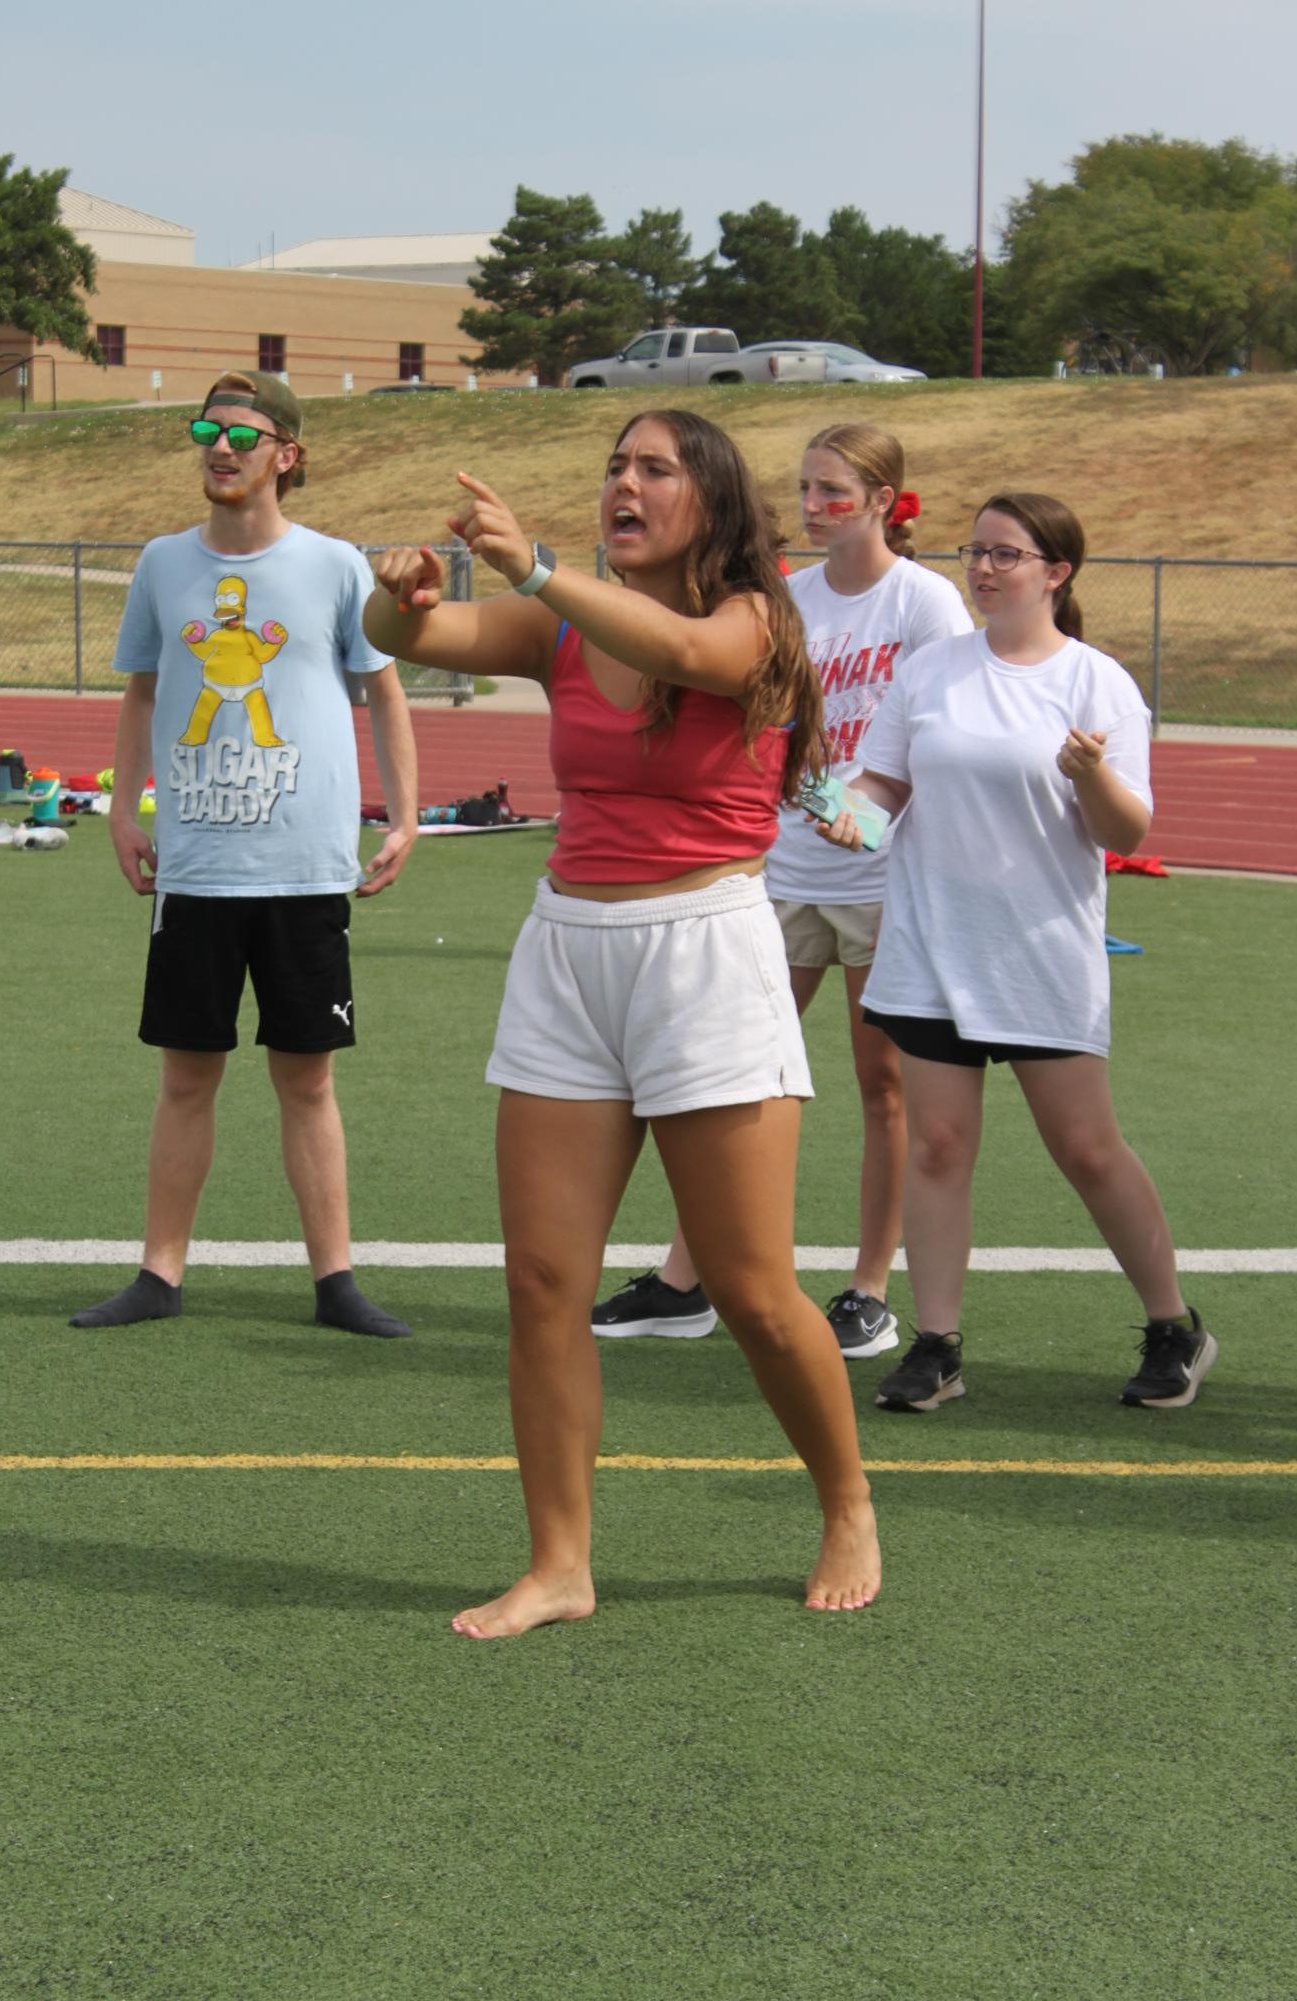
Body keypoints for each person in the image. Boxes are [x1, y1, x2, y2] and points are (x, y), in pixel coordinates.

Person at [365, 410, 881, 1637]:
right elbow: (419, 635)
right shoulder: (560, 624)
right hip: (566, 954)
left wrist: (539, 566)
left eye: (652, 469)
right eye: (613, 468)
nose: (624, 485)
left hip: (706, 951)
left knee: (754, 1291)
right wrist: (399, 600)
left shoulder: (755, 621)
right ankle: (559, 1565)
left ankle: (848, 1499)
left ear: (708, 499)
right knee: (544, 1279)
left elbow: (692, 658)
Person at [819, 491, 1217, 1412]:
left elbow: (1125, 828)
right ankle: (937, 1345)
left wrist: (1093, 775)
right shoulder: (931, 671)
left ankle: (1173, 1326)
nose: (985, 568)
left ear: (1055, 570)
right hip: (928, 948)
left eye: (1006, 553)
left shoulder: (1096, 682)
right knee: (939, 1146)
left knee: (1086, 1147)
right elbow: (881, 787)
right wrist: (842, 816)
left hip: (1038, 953)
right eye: (976, 551)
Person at [591, 423, 971, 1359]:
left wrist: (866, 815)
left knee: (881, 1080)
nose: (814, 506)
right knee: (727, 1070)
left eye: (835, 491)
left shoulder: (924, 602)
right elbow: (775, 726)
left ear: (885, 499)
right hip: (786, 867)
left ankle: (868, 1287)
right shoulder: (785, 599)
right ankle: (687, 1278)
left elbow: (942, 731)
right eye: (805, 489)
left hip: (884, 877)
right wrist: (806, 800)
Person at [70, 370, 418, 1339]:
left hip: (306, 869)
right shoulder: (160, 563)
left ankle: (336, 1281)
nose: (217, 448)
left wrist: (404, 816)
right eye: (204, 431)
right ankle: (158, 1273)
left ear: (286, 454)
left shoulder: (336, 565)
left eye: (240, 433)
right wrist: (123, 810)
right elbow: (141, 692)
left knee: (307, 1077)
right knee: (187, 1073)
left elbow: (384, 690)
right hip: (197, 865)